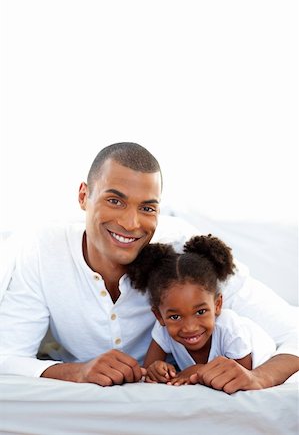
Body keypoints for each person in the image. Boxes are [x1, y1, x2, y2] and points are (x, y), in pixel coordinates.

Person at [0, 142, 298, 393]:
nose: (131, 224)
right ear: (83, 196)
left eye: (147, 208)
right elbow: (9, 358)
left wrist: (260, 376)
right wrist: (77, 371)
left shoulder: (185, 256)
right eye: (115, 200)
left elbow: (293, 331)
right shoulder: (42, 251)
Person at [127, 234, 276, 385]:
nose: (190, 327)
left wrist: (197, 370)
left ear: (217, 305)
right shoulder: (162, 330)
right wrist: (157, 370)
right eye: (175, 317)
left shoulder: (229, 329)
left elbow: (241, 377)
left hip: (262, 359)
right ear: (159, 316)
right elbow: (148, 371)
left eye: (200, 312)